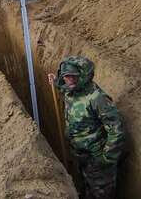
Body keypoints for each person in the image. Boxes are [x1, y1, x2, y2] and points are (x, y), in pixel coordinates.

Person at [48, 55, 124, 199]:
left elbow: (117, 129)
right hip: (84, 161)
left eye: (74, 76)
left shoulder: (96, 98)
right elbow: (65, 88)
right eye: (66, 76)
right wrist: (55, 81)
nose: (70, 79)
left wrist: (106, 158)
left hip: (98, 164)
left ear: (82, 76)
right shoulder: (72, 90)